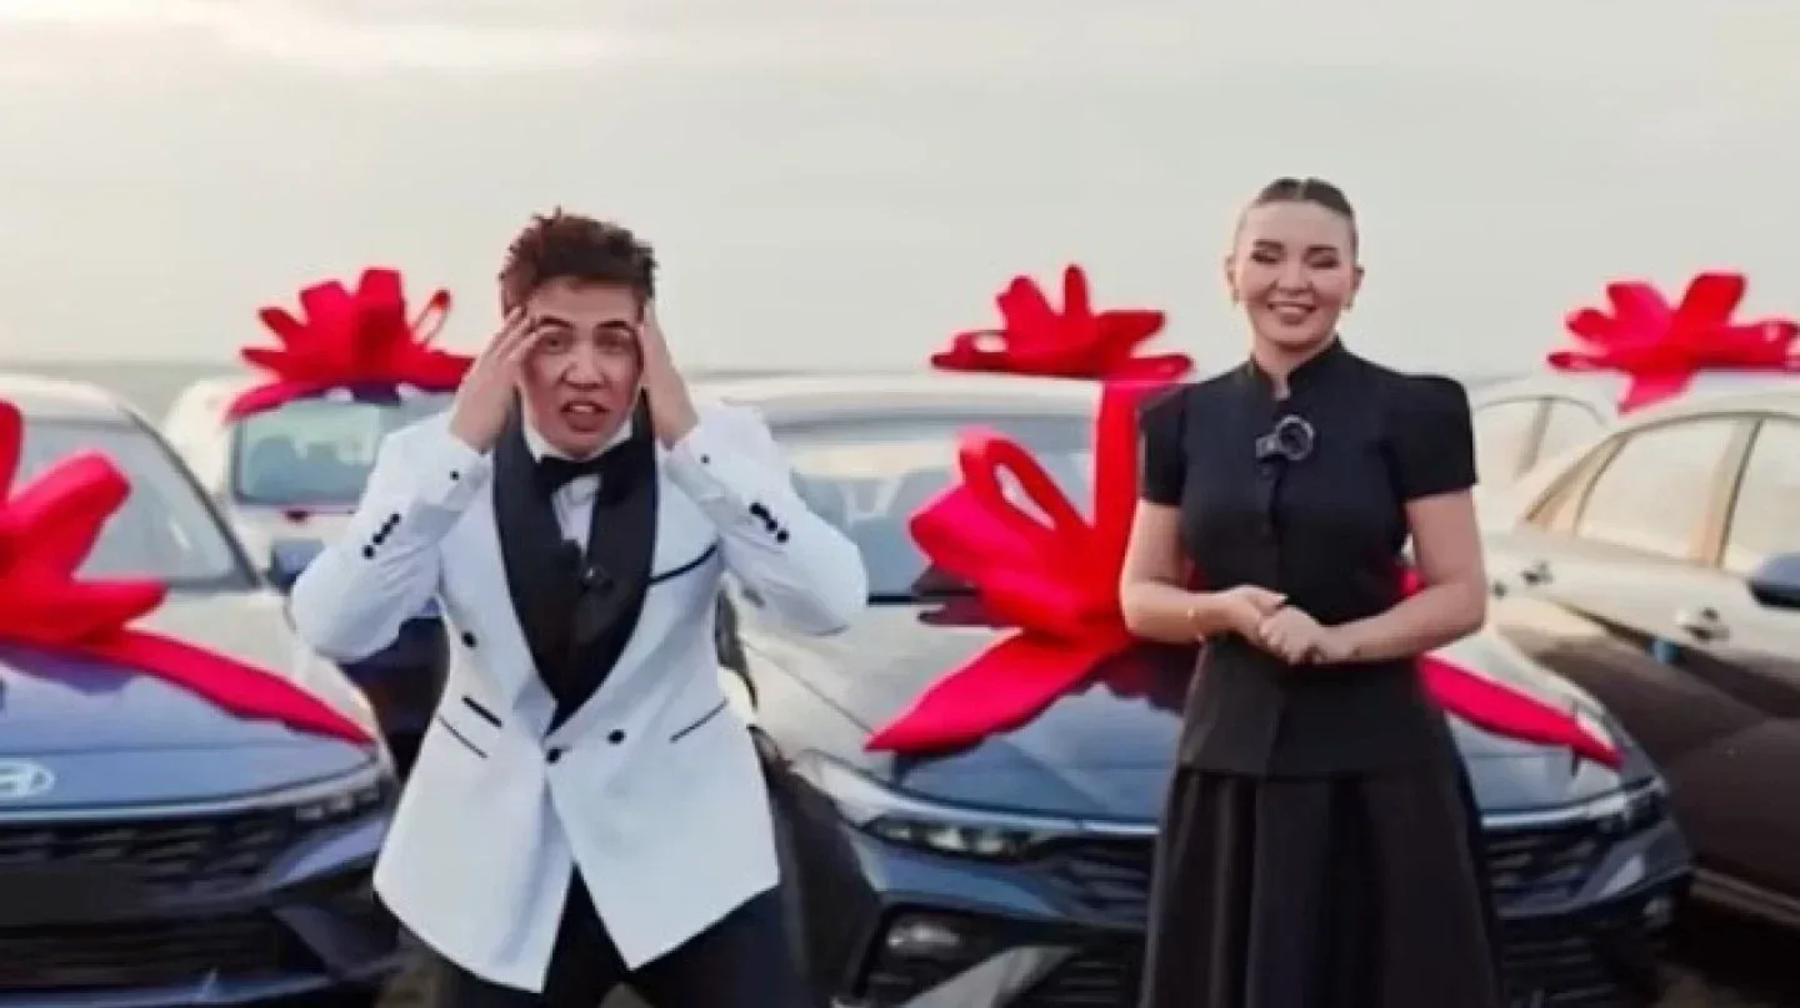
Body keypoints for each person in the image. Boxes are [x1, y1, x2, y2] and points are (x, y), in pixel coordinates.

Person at [288, 210, 868, 1008]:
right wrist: (456, 456)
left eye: (614, 342)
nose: (585, 371)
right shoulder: (427, 460)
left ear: (650, 346)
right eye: (553, 340)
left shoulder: (720, 448)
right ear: (507, 345)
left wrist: (693, 447)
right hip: (505, 858)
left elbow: (831, 602)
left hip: (689, 847)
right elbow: (333, 625)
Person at [1119, 177, 1503, 1008]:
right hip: (1228, 759)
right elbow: (1141, 596)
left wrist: (1340, 642)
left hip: (1378, 764)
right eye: (1268, 257)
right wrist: (1222, 610)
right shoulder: (1177, 419)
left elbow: (1462, 594)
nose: (1293, 281)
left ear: (1354, 282)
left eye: (1322, 262)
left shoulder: (1415, 410)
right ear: (1230, 273)